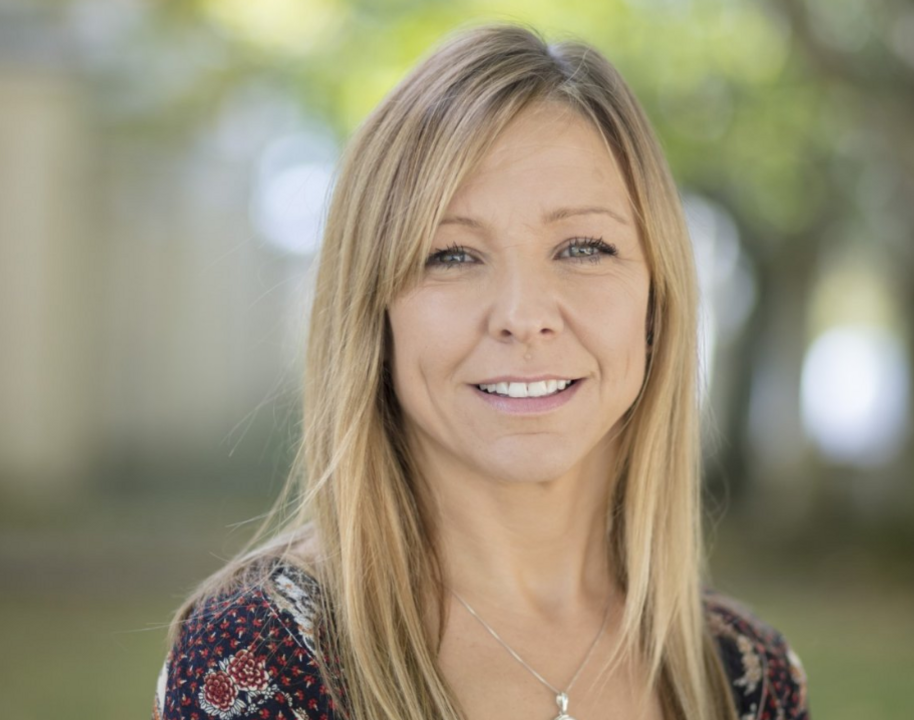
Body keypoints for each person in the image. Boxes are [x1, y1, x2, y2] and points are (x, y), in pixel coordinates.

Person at [154, 23, 808, 720]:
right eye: (453, 255)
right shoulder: (262, 657)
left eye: (584, 247)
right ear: (374, 313)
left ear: (655, 300)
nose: (524, 316)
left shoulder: (748, 677)